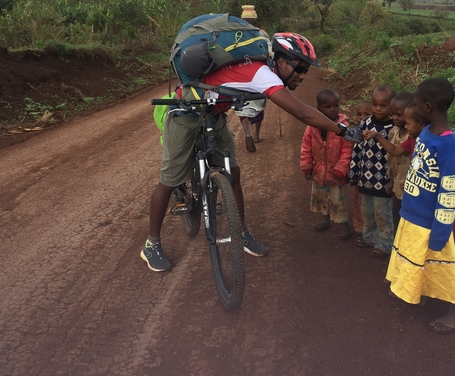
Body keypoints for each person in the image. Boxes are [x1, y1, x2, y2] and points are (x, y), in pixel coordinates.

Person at [142, 32, 355, 272]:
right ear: (282, 62)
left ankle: (240, 232)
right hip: (185, 116)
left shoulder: (261, 69)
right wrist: (342, 130)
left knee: (233, 174)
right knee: (169, 180)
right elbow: (301, 112)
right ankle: (152, 244)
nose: (304, 76)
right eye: (302, 69)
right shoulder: (261, 73)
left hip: (214, 114)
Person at [385, 78, 455, 334]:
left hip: (431, 222)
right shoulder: (425, 132)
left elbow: (450, 192)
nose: (414, 107)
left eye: (417, 103)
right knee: (416, 258)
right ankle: (414, 290)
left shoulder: (448, 147)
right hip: (413, 212)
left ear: (428, 107)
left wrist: (441, 232)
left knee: (442, 267)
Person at [349, 85, 396, 258]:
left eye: (383, 105)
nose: (377, 108)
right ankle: (368, 236)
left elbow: (395, 158)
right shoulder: (365, 123)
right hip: (364, 179)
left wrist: (392, 180)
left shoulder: (394, 129)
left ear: (392, 105)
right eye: (375, 104)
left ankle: (384, 243)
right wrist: (353, 173)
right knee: (366, 211)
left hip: (383, 181)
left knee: (382, 212)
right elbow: (357, 148)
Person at [301, 88, 354, 239]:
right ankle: (326, 220)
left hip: (335, 173)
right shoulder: (311, 127)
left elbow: (347, 150)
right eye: (328, 107)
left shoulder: (343, 127)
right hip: (318, 171)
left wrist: (340, 169)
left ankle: (344, 226)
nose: (333, 110)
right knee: (321, 198)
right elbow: (306, 148)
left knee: (338, 201)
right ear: (319, 109)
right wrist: (307, 167)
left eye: (335, 106)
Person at [363, 92, 415, 237]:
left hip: (408, 184)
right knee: (396, 215)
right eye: (393, 114)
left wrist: (377, 136)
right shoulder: (394, 132)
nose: (395, 118)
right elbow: (392, 160)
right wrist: (391, 180)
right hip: (398, 182)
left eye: (399, 115)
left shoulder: (412, 137)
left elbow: (394, 151)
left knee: (407, 218)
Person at [235, 5, 268, 152]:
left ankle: (247, 133)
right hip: (257, 74)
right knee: (259, 105)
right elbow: (269, 52)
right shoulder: (261, 34)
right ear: (255, 20)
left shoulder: (234, 35)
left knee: (242, 106)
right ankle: (256, 134)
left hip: (239, 76)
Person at [351, 101, 372, 235]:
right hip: (360, 176)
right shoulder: (355, 132)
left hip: (374, 177)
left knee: (372, 205)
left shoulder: (375, 133)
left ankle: (371, 230)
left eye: (366, 114)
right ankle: (360, 227)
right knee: (360, 203)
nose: (362, 118)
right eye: (359, 114)